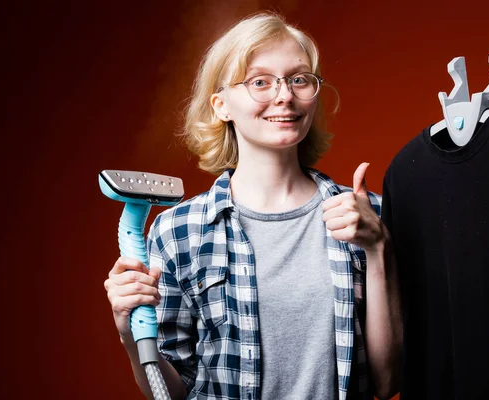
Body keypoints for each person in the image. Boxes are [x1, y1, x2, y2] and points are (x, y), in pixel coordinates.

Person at [104, 12, 401, 400]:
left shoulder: (366, 217)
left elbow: (388, 382)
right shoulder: (179, 231)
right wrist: (129, 334)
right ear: (221, 105)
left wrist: (379, 249)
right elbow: (171, 392)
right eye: (260, 82)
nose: (284, 95)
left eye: (299, 79)